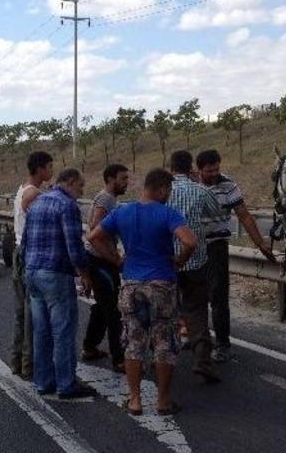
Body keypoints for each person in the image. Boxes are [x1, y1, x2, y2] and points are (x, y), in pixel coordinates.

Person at [89, 168, 197, 416]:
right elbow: (190, 241)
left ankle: (135, 400)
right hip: (162, 284)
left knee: (134, 343)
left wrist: (117, 260)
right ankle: (163, 401)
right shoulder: (167, 213)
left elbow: (94, 237)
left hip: (131, 284)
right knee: (164, 344)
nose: (169, 195)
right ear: (161, 189)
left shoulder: (122, 211)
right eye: (168, 191)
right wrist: (179, 261)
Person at [22, 168, 96, 399]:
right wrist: (84, 274)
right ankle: (66, 384)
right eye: (81, 186)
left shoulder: (38, 202)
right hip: (56, 274)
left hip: (32, 272)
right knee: (63, 331)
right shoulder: (67, 206)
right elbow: (74, 247)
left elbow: (24, 241)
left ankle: (44, 382)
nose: (81, 191)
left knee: (41, 332)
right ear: (71, 182)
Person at [196, 149, 275, 363]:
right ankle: (199, 339)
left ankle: (223, 345)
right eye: (209, 170)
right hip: (193, 248)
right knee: (195, 296)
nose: (214, 174)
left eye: (217, 169)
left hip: (217, 248)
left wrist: (260, 243)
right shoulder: (191, 186)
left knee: (219, 297)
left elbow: (245, 216)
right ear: (199, 169)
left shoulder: (228, 185)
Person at [167, 150, 222, 383]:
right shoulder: (200, 190)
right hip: (196, 261)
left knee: (165, 310)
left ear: (171, 168)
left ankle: (161, 357)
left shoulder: (163, 192)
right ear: (191, 168)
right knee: (196, 310)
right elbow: (217, 213)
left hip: (167, 262)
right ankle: (202, 360)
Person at [81, 164, 129, 373]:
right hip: (99, 262)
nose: (126, 182)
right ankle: (119, 359)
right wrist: (114, 259)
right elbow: (95, 229)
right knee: (112, 311)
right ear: (110, 179)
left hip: (100, 260)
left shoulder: (109, 199)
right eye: (123, 178)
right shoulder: (106, 199)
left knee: (101, 308)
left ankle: (89, 348)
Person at [10, 151, 54, 380]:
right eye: (49, 167)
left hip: (18, 251)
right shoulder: (34, 194)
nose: (52, 171)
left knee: (21, 313)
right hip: (28, 254)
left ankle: (16, 361)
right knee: (32, 313)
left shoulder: (22, 188)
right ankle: (30, 364)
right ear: (40, 169)